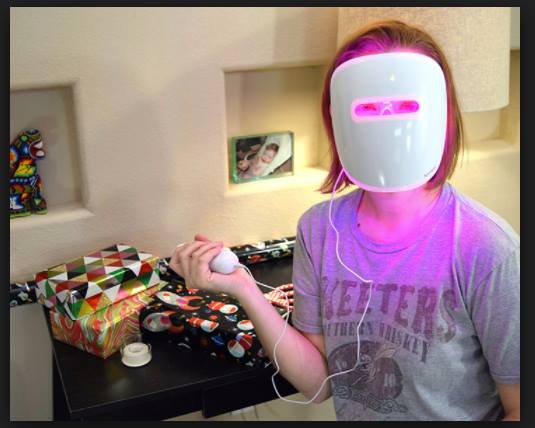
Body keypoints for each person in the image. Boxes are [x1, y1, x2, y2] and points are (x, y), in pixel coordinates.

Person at [170, 21, 519, 421]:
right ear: (336, 118)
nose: (387, 122)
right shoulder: (319, 230)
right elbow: (320, 383)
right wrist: (245, 290)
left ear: (442, 114)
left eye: (405, 106)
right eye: (368, 108)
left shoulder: (487, 248)